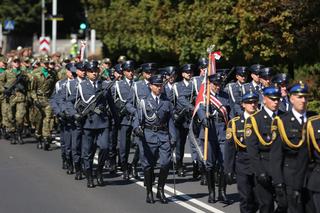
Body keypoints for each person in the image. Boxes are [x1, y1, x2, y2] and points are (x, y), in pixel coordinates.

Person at [271, 82, 315, 213]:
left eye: (305, 97)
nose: (303, 100)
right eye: (299, 97)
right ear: (291, 99)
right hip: (291, 175)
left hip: (312, 176)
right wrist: (278, 183)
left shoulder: (314, 119)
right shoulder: (282, 121)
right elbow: (276, 156)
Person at [132, 74, 176, 204]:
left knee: (165, 163)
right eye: (156, 86)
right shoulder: (144, 102)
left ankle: (160, 189)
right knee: (148, 166)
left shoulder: (166, 102)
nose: (159, 88)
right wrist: (136, 129)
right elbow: (137, 119)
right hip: (148, 136)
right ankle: (149, 191)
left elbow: (170, 122)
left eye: (160, 85)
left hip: (163, 136)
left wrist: (173, 137)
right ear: (150, 86)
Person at [72, 61, 116, 188]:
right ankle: (89, 176)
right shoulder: (81, 86)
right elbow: (71, 102)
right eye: (92, 71)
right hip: (88, 123)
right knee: (88, 152)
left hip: (103, 122)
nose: (94, 73)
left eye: (96, 71)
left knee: (104, 147)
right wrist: (74, 114)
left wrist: (116, 119)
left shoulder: (104, 85)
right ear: (87, 72)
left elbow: (111, 104)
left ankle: (99, 171)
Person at [245, 86, 283, 213]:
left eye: (278, 99)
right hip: (264, 167)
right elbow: (252, 150)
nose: (276, 102)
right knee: (266, 206)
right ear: (264, 99)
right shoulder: (255, 120)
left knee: (285, 204)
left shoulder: (285, 118)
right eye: (272, 99)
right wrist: (259, 171)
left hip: (282, 169)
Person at [197, 73, 230, 203]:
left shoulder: (225, 96)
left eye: (219, 84)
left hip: (222, 130)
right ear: (209, 84)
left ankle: (222, 192)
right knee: (209, 164)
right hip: (209, 132)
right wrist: (203, 118)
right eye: (215, 84)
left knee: (224, 164)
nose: (217, 87)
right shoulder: (204, 97)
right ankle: (212, 193)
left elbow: (230, 112)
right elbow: (200, 109)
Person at [225, 90, 259, 213]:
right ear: (243, 104)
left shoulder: (262, 121)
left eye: (255, 102)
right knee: (245, 198)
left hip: (259, 164)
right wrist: (228, 169)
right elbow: (229, 148)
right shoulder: (235, 123)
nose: (252, 105)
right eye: (249, 102)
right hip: (242, 163)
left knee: (257, 199)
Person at [172, 64, 196, 177]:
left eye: (191, 72)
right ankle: (179, 164)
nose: (189, 74)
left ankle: (197, 166)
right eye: (187, 72)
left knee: (194, 143)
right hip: (180, 119)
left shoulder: (194, 85)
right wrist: (192, 107)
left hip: (191, 118)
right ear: (182, 74)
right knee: (179, 143)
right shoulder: (177, 85)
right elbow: (180, 99)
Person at [0, 56, 28, 145]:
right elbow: (0, 82)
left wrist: (24, 80)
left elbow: (28, 82)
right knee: (10, 117)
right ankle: (13, 135)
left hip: (20, 97)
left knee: (20, 118)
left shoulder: (23, 72)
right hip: (10, 98)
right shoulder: (7, 72)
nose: (16, 63)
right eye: (15, 61)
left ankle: (19, 134)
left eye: (18, 61)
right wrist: (4, 90)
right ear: (12, 63)